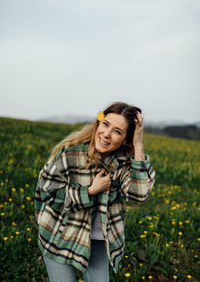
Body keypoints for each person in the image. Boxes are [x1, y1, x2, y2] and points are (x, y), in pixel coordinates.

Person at [34, 102, 156, 282]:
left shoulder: (123, 163)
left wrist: (138, 145)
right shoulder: (70, 153)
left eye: (117, 131)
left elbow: (139, 194)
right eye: (105, 124)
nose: (106, 134)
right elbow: (48, 193)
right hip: (58, 234)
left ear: (125, 140)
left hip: (96, 239)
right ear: (98, 123)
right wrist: (89, 192)